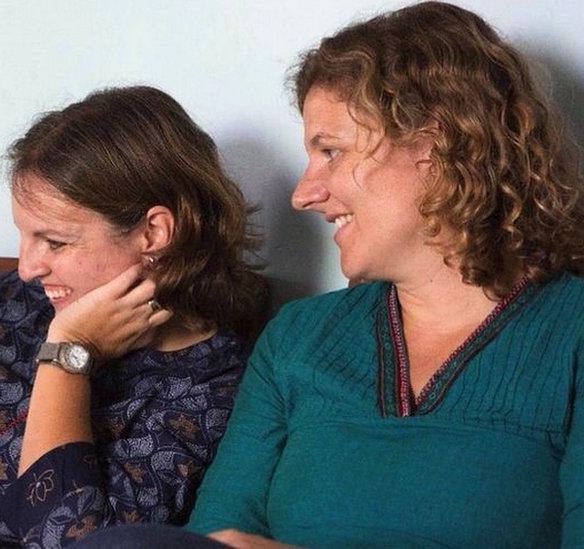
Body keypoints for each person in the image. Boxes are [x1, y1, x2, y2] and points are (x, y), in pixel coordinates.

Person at [183, 2, 584, 547]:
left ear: (438, 144)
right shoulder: (297, 339)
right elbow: (212, 539)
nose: (304, 194)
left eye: (331, 151)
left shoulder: (573, 330)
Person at [0, 85, 267, 546]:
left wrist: (68, 354)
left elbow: (70, 539)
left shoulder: (213, 387)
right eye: (25, 236)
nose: (27, 268)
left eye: (55, 242)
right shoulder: (16, 301)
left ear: (154, 233)